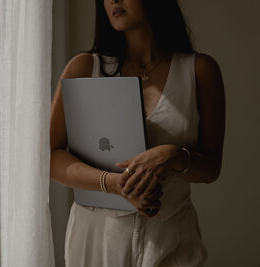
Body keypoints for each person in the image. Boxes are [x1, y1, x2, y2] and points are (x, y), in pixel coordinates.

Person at [50, 0, 225, 266]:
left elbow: (212, 167)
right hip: (99, 237)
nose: (114, 0)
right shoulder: (84, 69)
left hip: (172, 235)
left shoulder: (200, 70)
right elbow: (49, 156)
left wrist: (174, 155)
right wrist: (113, 184)